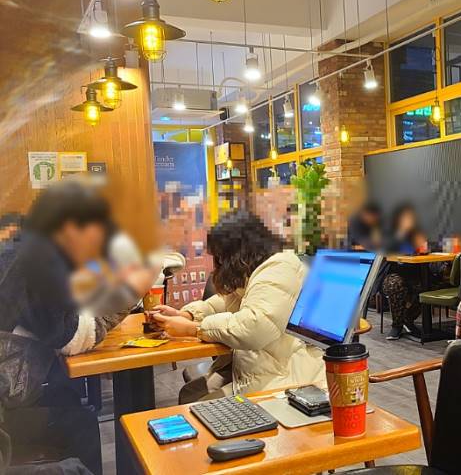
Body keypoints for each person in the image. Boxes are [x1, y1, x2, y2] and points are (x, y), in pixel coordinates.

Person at [0, 181, 155, 475]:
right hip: (7, 411)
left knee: (71, 404)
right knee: (80, 424)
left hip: (15, 395)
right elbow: (72, 337)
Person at [151, 211, 325, 403]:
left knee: (197, 407)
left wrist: (195, 329)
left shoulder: (280, 268)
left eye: (221, 255)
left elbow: (254, 327)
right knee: (190, 393)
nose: (219, 262)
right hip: (255, 366)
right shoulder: (257, 267)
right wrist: (187, 315)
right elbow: (227, 301)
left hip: (284, 376)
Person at [381, 204, 429, 340]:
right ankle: (397, 325)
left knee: (427, 286)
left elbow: (432, 249)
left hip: (418, 273)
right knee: (394, 284)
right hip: (393, 272)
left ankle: (408, 319)